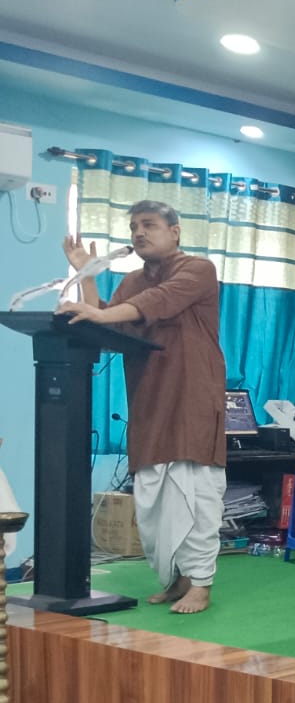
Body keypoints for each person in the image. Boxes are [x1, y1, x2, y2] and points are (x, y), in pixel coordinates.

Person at [55, 201, 225, 614]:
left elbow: (159, 301)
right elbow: (108, 321)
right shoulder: (132, 280)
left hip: (191, 399)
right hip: (149, 399)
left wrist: (100, 312)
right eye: (133, 227)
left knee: (195, 492)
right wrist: (87, 275)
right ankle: (176, 578)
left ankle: (201, 583)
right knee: (152, 496)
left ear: (175, 231)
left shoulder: (198, 269)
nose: (139, 233)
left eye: (149, 225)